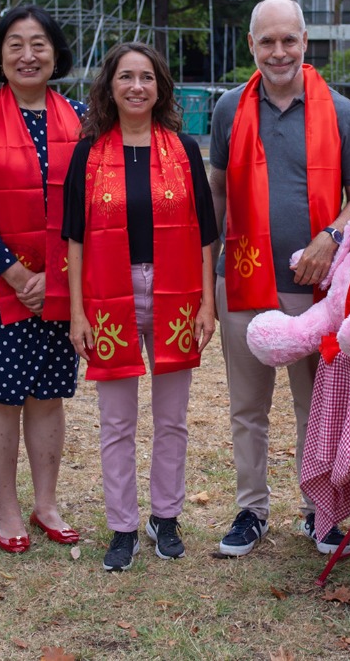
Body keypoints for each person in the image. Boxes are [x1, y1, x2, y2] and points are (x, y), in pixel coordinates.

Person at [209, 0, 350, 556]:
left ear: (306, 42)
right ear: (250, 45)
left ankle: (319, 511)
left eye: (288, 40)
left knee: (317, 404)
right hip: (244, 281)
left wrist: (330, 237)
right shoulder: (228, 108)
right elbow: (215, 191)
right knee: (247, 407)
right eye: (266, 42)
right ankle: (251, 510)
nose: (278, 52)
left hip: (320, 289)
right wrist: (213, 269)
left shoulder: (344, 113)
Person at [63, 42, 218, 571]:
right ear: (109, 86)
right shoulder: (88, 153)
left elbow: (205, 233)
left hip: (176, 294)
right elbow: (74, 239)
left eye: (146, 77)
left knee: (172, 418)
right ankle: (122, 526)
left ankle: (166, 518)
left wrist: (207, 305)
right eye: (125, 77)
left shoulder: (182, 148)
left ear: (160, 87)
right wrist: (78, 312)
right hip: (110, 293)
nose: (136, 86)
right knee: (116, 421)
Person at [0, 5, 85, 554]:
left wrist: (51, 275)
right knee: (1, 397)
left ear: (56, 54)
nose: (28, 55)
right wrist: (15, 270)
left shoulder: (80, 116)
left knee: (49, 394)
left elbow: (89, 205)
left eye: (39, 44)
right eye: (15, 45)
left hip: (61, 279)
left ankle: (46, 501)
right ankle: (7, 507)